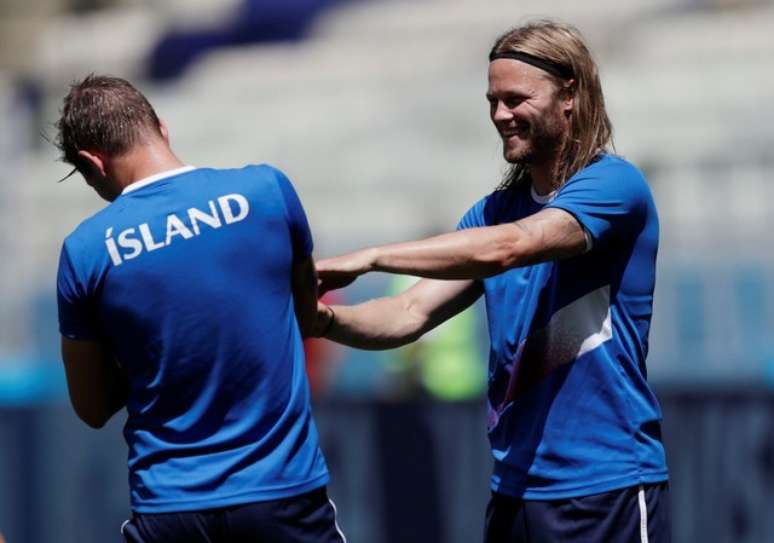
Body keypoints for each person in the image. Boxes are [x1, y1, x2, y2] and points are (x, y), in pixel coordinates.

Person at [314, 20, 670, 542]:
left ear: (569, 95)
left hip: (605, 488)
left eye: (515, 99)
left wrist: (371, 257)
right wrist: (319, 317)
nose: (501, 115)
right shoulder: (493, 211)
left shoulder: (615, 185)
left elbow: (513, 246)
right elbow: (407, 313)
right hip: (514, 493)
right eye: (492, 101)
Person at [55, 75, 345, 543]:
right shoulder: (267, 191)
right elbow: (304, 313)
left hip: (170, 509)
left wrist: (151, 354)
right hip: (281, 493)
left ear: (93, 162)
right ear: (162, 129)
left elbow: (90, 406)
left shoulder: (86, 250)